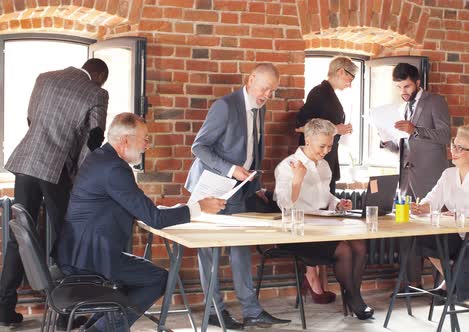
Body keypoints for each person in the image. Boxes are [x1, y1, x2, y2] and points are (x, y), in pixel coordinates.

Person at [56, 113, 226, 332]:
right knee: (158, 278)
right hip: (91, 257)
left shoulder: (101, 158)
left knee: (142, 277)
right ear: (126, 140)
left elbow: (138, 208)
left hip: (82, 251)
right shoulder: (114, 169)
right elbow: (154, 219)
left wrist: (173, 210)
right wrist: (198, 208)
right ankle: (99, 330)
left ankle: (96, 328)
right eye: (144, 138)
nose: (147, 144)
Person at [0, 59, 110, 327]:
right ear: (99, 75)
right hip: (57, 169)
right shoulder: (97, 92)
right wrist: (79, 175)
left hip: (26, 162)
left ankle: (3, 311)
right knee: (66, 237)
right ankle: (65, 315)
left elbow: (31, 118)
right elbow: (94, 139)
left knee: (20, 235)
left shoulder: (44, 77)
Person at [185, 63, 290, 329]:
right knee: (210, 252)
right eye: (265, 88)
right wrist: (231, 169)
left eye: (272, 90)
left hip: (239, 189)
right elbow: (199, 147)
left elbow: (252, 149)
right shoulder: (225, 106)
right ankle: (213, 311)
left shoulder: (260, 106)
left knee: (240, 249)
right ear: (251, 79)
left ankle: (252, 311)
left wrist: (257, 186)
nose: (267, 94)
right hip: (212, 188)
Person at [274, 119, 373, 320]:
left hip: (323, 227)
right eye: (322, 146)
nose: (326, 150)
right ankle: (354, 298)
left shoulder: (325, 165)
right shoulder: (287, 166)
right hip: (297, 233)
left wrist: (337, 203)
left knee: (360, 245)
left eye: (330, 146)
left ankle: (354, 293)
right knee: (344, 249)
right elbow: (284, 205)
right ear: (308, 140)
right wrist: (297, 180)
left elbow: (325, 195)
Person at [411, 125, 469, 328]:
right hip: (456, 235)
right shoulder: (448, 174)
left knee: (462, 261)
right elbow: (432, 200)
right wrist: (420, 207)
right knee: (424, 240)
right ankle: (451, 280)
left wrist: (459, 217)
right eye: (454, 145)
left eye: (460, 148)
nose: (453, 150)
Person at [381, 62, 450, 289]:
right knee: (405, 230)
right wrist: (386, 142)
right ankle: (410, 283)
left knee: (436, 234)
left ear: (417, 82)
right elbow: (405, 147)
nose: (403, 92)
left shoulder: (435, 102)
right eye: (399, 87)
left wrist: (415, 129)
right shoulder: (401, 108)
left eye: (407, 86)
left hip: (431, 179)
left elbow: (444, 135)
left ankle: (445, 286)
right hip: (405, 182)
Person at [294, 56, 358, 302]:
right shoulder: (319, 92)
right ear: (340, 71)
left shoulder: (330, 94)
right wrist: (335, 129)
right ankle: (312, 276)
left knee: (327, 219)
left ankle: (321, 277)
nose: (350, 84)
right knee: (314, 217)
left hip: (327, 163)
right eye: (349, 78)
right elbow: (301, 124)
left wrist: (338, 130)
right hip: (314, 163)